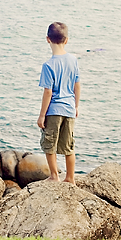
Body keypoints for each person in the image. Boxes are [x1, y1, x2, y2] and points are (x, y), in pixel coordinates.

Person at [36, 21, 80, 183]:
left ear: (48, 39)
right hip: (69, 109)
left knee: (49, 144)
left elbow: (48, 92)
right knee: (69, 146)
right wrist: (76, 106)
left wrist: (41, 116)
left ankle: (54, 176)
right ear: (66, 40)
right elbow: (77, 84)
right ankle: (70, 178)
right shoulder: (73, 60)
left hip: (54, 110)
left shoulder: (48, 65)